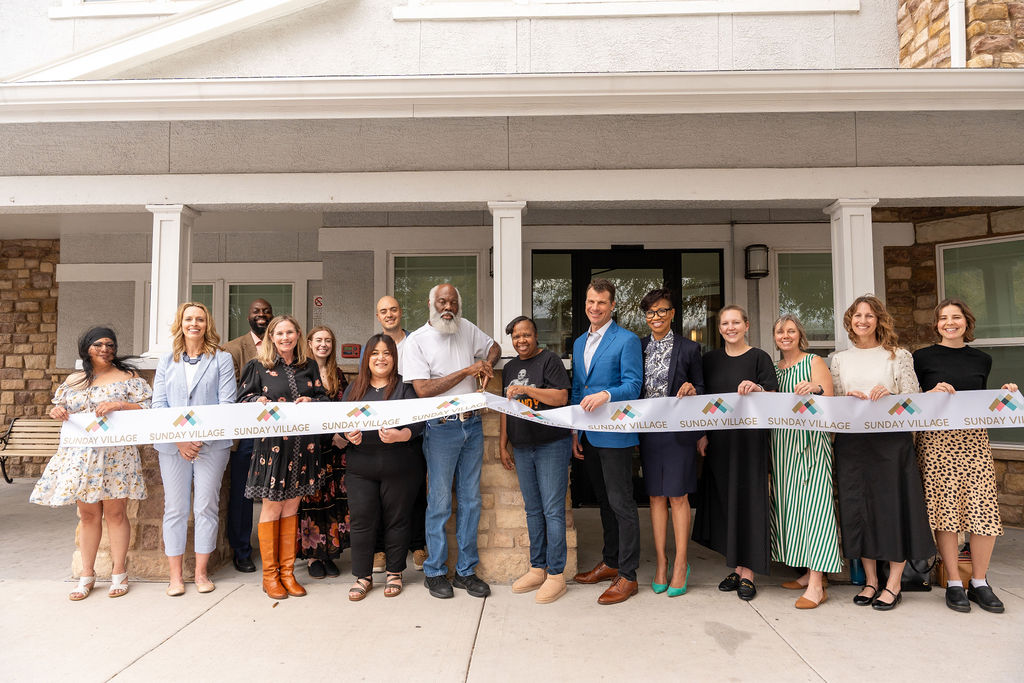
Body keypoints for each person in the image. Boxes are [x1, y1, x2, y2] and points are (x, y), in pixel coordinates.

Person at [31, 327, 151, 600]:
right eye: (98, 344)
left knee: (116, 513)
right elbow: (59, 407)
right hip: (81, 456)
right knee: (87, 515)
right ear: (86, 347)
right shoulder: (74, 380)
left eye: (110, 344)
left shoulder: (128, 377)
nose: (105, 349)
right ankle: (87, 574)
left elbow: (148, 407)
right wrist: (57, 411)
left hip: (116, 454)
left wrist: (119, 405)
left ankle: (119, 572)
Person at [913, 298, 1017, 614]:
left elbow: (983, 400)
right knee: (946, 510)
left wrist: (1006, 395)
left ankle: (980, 582)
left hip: (974, 440)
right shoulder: (922, 358)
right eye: (943, 318)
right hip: (937, 441)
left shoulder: (982, 359)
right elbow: (910, 402)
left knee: (982, 509)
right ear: (936, 324)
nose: (950, 323)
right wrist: (928, 394)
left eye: (956, 317)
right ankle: (955, 582)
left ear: (966, 322)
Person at [830, 295, 934, 611]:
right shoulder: (839, 359)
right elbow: (833, 403)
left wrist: (890, 395)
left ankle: (894, 584)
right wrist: (846, 398)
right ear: (850, 321)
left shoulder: (898, 356)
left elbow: (913, 398)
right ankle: (871, 581)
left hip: (891, 443)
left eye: (869, 315)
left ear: (879, 321)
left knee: (892, 509)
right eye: (857, 315)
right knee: (859, 509)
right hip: (852, 443)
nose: (862, 320)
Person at [400, 283, 501, 600]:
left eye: (453, 302)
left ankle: (466, 571)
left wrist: (487, 363)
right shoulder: (416, 341)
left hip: (472, 425)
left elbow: (494, 346)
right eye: (442, 301)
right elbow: (423, 390)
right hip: (441, 428)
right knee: (441, 503)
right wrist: (467, 370)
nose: (448, 307)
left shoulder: (466, 327)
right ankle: (434, 571)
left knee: (471, 501)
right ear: (431, 304)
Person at [238, 314, 330, 600]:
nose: (285, 338)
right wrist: (257, 401)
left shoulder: (309, 366)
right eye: (279, 333)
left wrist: (312, 401)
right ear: (271, 337)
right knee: (272, 507)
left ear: (298, 335)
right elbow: (241, 400)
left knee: (291, 507)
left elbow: (325, 399)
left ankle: (288, 574)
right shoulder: (258, 366)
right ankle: (270, 576)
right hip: (272, 449)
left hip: (303, 447)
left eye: (290, 332)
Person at [692, 305, 778, 601]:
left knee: (749, 502)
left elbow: (773, 397)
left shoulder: (759, 358)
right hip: (719, 442)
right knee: (726, 503)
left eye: (736, 322)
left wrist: (757, 388)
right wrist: (702, 434)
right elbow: (702, 401)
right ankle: (737, 566)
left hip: (750, 442)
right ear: (719, 329)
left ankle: (749, 572)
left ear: (746, 325)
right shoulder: (709, 360)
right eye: (725, 323)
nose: (730, 328)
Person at [151, 302, 236, 596]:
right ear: (181, 323)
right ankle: (175, 576)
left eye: (200, 319)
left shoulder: (221, 359)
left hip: (211, 446)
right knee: (175, 509)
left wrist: (199, 439)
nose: (194, 324)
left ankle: (201, 573)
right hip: (173, 446)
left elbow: (226, 403)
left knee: (205, 507)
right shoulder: (166, 361)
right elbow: (159, 405)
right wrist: (180, 440)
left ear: (207, 324)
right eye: (189, 319)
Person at [570, 278, 644, 605]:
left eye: (601, 302)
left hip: (615, 435)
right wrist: (575, 431)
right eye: (591, 302)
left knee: (621, 504)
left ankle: (628, 575)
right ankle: (611, 561)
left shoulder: (627, 340)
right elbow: (577, 388)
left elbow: (634, 385)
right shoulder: (578, 343)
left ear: (612, 305)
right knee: (603, 502)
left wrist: (606, 395)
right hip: (589, 434)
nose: (595, 308)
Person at [341, 334, 425, 600]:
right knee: (361, 521)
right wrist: (347, 435)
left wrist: (400, 435)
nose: (381, 358)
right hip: (361, 468)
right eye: (375, 353)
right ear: (367, 358)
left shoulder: (405, 388)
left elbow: (420, 423)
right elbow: (340, 423)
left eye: (387, 353)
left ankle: (394, 573)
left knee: (397, 520)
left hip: (400, 466)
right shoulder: (354, 388)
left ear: (394, 358)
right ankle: (362, 576)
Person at [770, 314, 843, 609]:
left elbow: (831, 398)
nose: (785, 335)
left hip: (810, 444)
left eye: (791, 331)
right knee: (794, 510)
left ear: (800, 335)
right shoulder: (775, 370)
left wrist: (815, 389)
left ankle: (816, 585)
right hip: (783, 446)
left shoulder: (814, 362)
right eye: (780, 332)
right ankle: (809, 574)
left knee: (816, 509)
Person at [499, 315, 572, 604]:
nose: (521, 340)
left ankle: (556, 575)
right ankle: (537, 568)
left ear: (536, 335)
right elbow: (506, 407)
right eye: (516, 336)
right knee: (533, 510)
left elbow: (561, 397)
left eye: (526, 335)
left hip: (551, 444)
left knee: (553, 510)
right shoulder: (510, 367)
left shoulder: (550, 361)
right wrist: (503, 443)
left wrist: (526, 389)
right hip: (522, 447)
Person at [637, 289, 703, 598]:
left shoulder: (689, 348)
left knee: (678, 496)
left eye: (662, 311)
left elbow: (702, 386)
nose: (656, 317)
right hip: (649, 430)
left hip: (678, 431)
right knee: (655, 496)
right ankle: (661, 562)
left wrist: (692, 389)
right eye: (650, 313)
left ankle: (681, 563)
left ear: (672, 313)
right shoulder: (639, 347)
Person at [369, 295, 427, 574]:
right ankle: (380, 549)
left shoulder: (416, 341)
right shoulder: (374, 345)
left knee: (414, 489)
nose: (389, 314)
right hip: (381, 420)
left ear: (400, 312)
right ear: (378, 316)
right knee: (381, 493)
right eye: (384, 311)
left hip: (411, 415)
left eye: (393, 309)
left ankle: (417, 544)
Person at [222, 297, 273, 573]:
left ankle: (275, 549)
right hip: (247, 433)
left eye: (266, 311)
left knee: (278, 492)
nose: (261, 315)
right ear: (248, 316)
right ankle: (242, 550)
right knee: (243, 493)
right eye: (256, 311)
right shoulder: (232, 349)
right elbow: (230, 391)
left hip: (278, 431)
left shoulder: (282, 343)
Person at [298, 325, 349, 579]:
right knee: (312, 501)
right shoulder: (300, 372)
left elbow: (346, 408)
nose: (323, 344)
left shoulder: (337, 374)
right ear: (309, 343)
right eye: (318, 340)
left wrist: (342, 435)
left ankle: (329, 553)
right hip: (311, 448)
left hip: (335, 449)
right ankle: (313, 556)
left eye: (328, 340)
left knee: (333, 501)